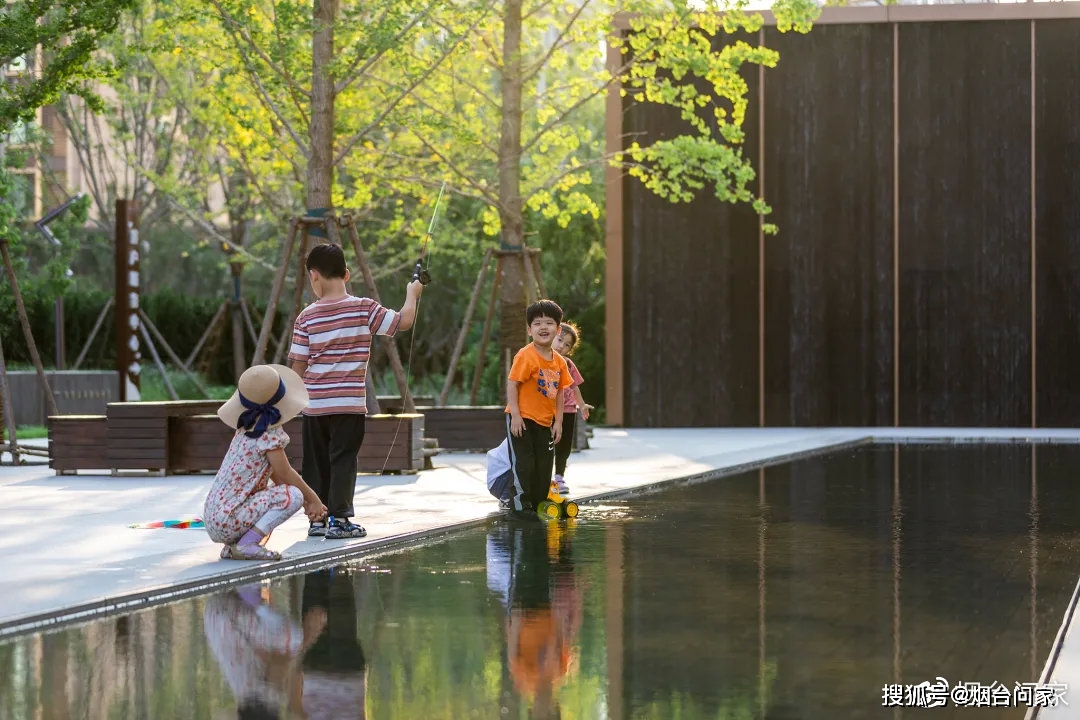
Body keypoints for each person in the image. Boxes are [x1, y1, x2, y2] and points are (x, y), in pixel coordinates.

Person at [288, 242, 423, 540]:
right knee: (343, 460)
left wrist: (288, 404)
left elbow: (297, 366)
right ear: (347, 274)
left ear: (313, 276)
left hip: (314, 406)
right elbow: (403, 322)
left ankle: (317, 520)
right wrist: (412, 294)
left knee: (315, 463)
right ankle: (339, 520)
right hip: (348, 405)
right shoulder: (364, 308)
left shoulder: (306, 317)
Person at [203, 364, 327, 561]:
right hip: (229, 519)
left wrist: (307, 504)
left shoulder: (246, 426)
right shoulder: (268, 431)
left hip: (216, 518)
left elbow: (275, 474)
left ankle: (234, 546)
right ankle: (247, 544)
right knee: (293, 495)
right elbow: (285, 473)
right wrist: (313, 500)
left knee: (282, 493)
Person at [505, 299, 575, 513]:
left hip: (545, 422)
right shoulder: (525, 355)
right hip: (522, 419)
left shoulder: (560, 362)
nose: (543, 327)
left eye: (549, 323)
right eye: (537, 323)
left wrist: (559, 422)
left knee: (545, 465)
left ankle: (539, 503)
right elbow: (512, 384)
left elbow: (560, 392)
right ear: (529, 330)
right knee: (525, 463)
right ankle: (520, 504)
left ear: (558, 329)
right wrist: (515, 415)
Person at [549, 321, 593, 497]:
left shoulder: (567, 364)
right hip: (548, 411)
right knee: (547, 444)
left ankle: (559, 476)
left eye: (567, 345)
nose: (562, 346)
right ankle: (545, 477)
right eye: (560, 340)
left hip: (568, 410)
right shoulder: (542, 360)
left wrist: (581, 405)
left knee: (565, 445)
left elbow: (574, 387)